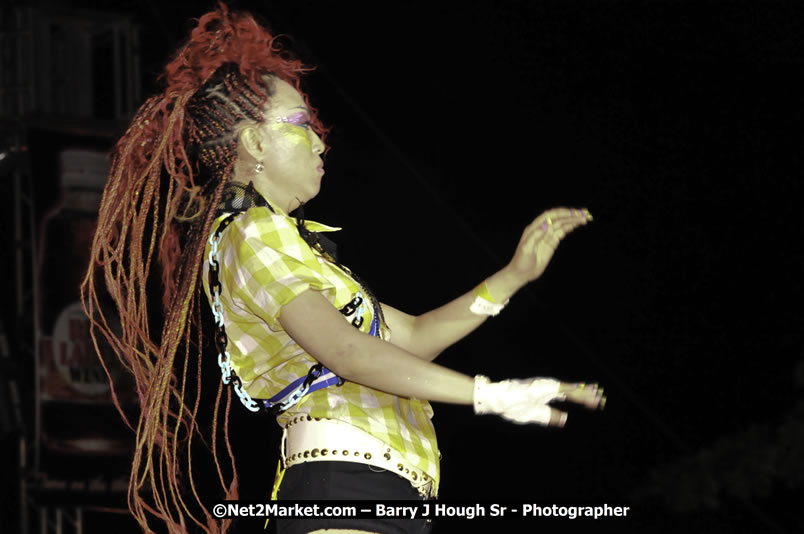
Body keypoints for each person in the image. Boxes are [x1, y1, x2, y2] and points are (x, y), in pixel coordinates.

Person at [82, 4, 604, 533]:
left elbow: (415, 337)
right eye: (300, 124)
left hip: (380, 491)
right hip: (343, 485)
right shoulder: (252, 234)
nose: (319, 139)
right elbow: (349, 353)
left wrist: (512, 277)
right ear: (255, 143)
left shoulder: (290, 246)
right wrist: (490, 394)